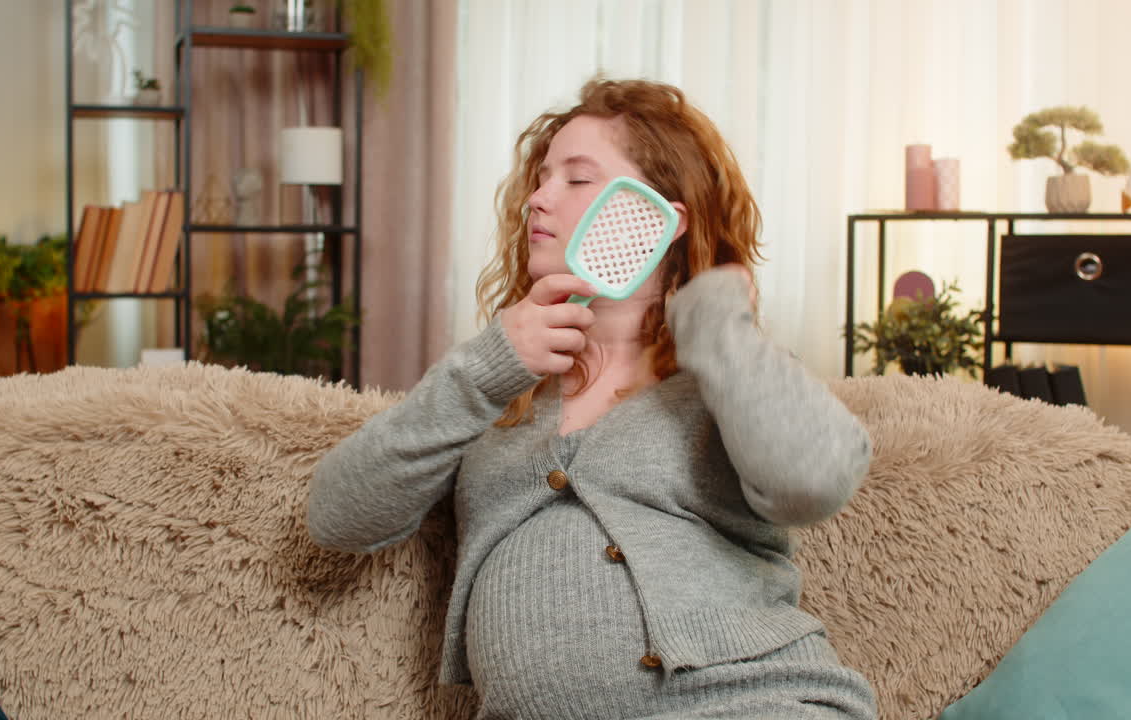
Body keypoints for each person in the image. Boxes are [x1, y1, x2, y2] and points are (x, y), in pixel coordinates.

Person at [308, 77, 876, 719]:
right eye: (540, 178)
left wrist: (719, 329)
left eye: (576, 180)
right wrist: (486, 369)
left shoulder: (727, 379)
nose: (538, 199)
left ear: (663, 218)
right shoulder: (496, 393)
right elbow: (338, 516)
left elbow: (814, 480)